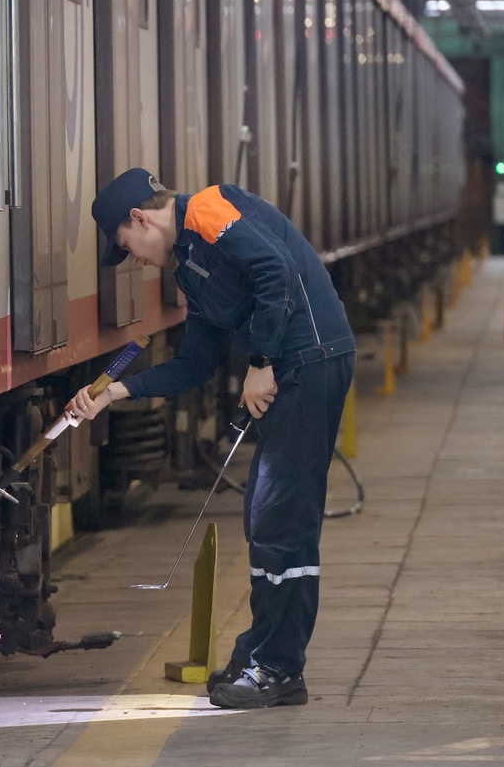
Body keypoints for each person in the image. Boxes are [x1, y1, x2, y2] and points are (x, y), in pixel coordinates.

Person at [67, 168, 355, 709]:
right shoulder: (192, 270)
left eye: (128, 247)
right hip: (294, 367)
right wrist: (114, 392)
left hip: (309, 361)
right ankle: (264, 655)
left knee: (280, 517)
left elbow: (279, 270)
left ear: (142, 218)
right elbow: (193, 365)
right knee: (265, 515)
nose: (134, 259)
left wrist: (262, 361)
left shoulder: (207, 210)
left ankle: (277, 667)